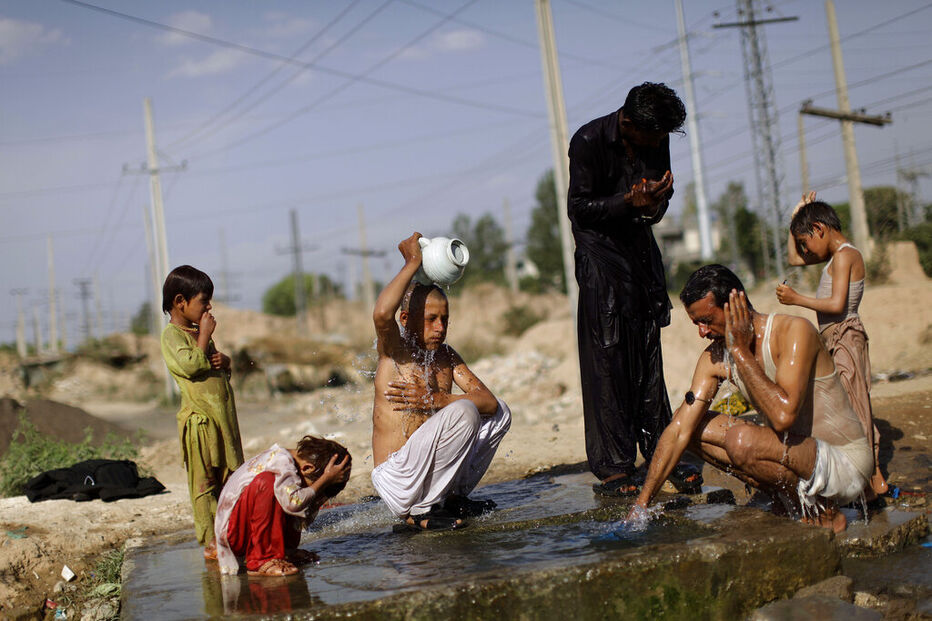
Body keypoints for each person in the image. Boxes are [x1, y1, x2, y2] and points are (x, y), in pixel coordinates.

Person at [630, 265, 873, 533]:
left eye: (707, 320)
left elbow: (784, 417)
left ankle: (825, 514)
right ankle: (786, 499)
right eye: (696, 323)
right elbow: (677, 432)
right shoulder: (713, 358)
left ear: (737, 305)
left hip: (844, 464)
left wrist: (739, 351)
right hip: (798, 458)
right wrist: (641, 507)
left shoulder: (794, 332)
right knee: (690, 425)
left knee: (741, 441)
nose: (701, 332)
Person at [567, 81, 699, 496]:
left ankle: (662, 453)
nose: (659, 143)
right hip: (599, 261)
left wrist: (655, 202)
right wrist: (629, 201)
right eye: (654, 135)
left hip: (638, 257)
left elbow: (656, 208)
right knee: (607, 362)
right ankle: (614, 469)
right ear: (629, 123)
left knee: (646, 357)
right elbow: (579, 209)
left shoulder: (654, 138)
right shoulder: (588, 141)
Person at [370, 233, 512, 531]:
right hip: (399, 478)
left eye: (445, 319)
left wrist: (436, 399)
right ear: (406, 318)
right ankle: (419, 512)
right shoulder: (396, 352)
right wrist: (412, 263)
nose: (440, 328)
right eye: (431, 319)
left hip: (426, 473)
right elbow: (382, 313)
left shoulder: (446, 356)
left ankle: (452, 498)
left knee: (500, 412)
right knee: (465, 411)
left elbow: (488, 402)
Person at [776, 193, 888, 499]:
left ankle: (874, 478)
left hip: (845, 336)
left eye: (806, 240)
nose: (806, 248)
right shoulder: (833, 256)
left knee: (855, 405)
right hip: (833, 338)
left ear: (820, 229)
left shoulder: (846, 256)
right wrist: (796, 218)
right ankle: (865, 475)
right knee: (844, 405)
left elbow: (838, 304)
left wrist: (797, 299)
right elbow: (793, 258)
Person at [161, 265, 244, 560]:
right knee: (206, 484)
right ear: (180, 301)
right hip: (202, 425)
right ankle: (212, 542)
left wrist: (226, 360)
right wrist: (205, 335)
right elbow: (193, 365)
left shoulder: (198, 333)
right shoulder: (171, 336)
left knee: (231, 478)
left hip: (223, 422)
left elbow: (214, 368)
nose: (209, 307)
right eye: (203, 301)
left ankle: (232, 534)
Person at [214, 436, 351, 576]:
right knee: (270, 483)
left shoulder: (294, 467)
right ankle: (262, 559)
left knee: (294, 495)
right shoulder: (282, 462)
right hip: (235, 535)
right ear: (307, 468)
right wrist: (324, 480)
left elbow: (304, 513)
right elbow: (294, 504)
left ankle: (285, 550)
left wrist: (319, 492)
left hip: (249, 530)